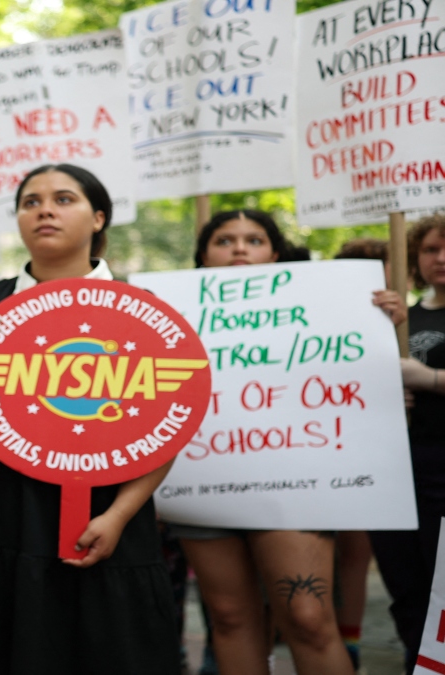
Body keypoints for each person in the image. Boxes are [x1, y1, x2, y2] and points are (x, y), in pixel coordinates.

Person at [0, 163, 180, 674]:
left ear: (99, 217)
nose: (44, 209)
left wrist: (119, 517)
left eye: (64, 199)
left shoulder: (143, 310)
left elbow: (167, 427)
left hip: (105, 515)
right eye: (30, 201)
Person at [171, 211, 404, 675]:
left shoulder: (328, 306)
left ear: (274, 255)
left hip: (296, 485)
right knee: (230, 618)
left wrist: (382, 322)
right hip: (201, 483)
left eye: (253, 239)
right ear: (202, 256)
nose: (239, 248)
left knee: (309, 617)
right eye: (224, 240)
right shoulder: (166, 314)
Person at [373, 213, 445, 674]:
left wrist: (432, 379)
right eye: (430, 249)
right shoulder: (404, 316)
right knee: (408, 584)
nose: (441, 258)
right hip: (399, 471)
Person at [332, 237, 407, 670]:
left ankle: (351, 638)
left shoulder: (406, 319)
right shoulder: (316, 316)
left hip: (374, 451)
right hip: (323, 446)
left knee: (358, 552)